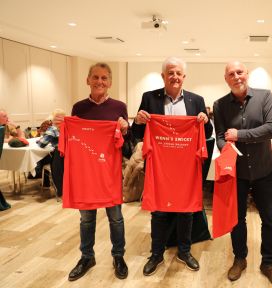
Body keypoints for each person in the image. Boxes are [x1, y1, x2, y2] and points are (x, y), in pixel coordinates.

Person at [131, 57, 212, 276]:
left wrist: (206, 121)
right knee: (158, 212)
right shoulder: (149, 98)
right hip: (159, 167)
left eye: (178, 73)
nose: (174, 77)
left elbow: (208, 133)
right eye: (170, 73)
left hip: (186, 168)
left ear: (184, 77)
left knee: (186, 212)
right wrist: (138, 121)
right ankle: (156, 253)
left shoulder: (196, 100)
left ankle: (184, 252)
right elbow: (137, 134)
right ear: (163, 76)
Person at [213, 61, 272, 288]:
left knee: (270, 218)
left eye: (240, 72)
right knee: (237, 219)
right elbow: (221, 137)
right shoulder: (219, 105)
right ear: (226, 79)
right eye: (231, 74)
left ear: (247, 74)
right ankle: (240, 258)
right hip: (238, 173)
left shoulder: (265, 97)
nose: (236, 77)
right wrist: (228, 144)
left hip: (264, 170)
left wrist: (239, 134)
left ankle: (269, 263)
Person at [54, 63, 129, 281]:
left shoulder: (119, 107)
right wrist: (61, 126)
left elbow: (126, 145)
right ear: (87, 80)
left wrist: (125, 129)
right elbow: (73, 141)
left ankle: (118, 256)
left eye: (104, 78)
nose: (99, 82)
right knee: (86, 219)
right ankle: (87, 257)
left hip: (109, 173)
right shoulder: (78, 108)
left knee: (116, 218)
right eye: (95, 77)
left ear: (110, 82)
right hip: (85, 174)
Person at [37, 109, 65, 196]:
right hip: (69, 156)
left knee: (43, 158)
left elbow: (42, 144)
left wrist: (38, 141)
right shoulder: (69, 127)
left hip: (59, 157)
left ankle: (49, 185)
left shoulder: (52, 129)